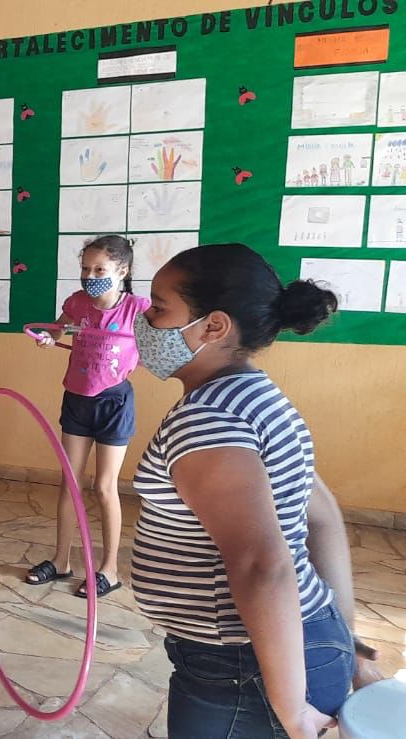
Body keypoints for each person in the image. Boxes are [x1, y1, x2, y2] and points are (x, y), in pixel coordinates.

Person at [123, 244, 354, 737]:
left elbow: (260, 565)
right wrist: (344, 643)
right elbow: (323, 516)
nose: (146, 320)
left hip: (243, 667)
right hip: (293, 642)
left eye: (160, 308)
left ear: (213, 326)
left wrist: (291, 710)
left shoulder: (209, 419)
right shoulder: (253, 397)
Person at [25, 235, 149, 598]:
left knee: (104, 487)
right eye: (85, 268)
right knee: (70, 482)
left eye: (99, 269)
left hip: (114, 403)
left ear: (122, 271)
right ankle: (61, 562)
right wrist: (49, 337)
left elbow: (163, 339)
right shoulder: (78, 303)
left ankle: (109, 569)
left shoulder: (138, 308)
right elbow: (59, 328)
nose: (90, 275)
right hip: (77, 399)